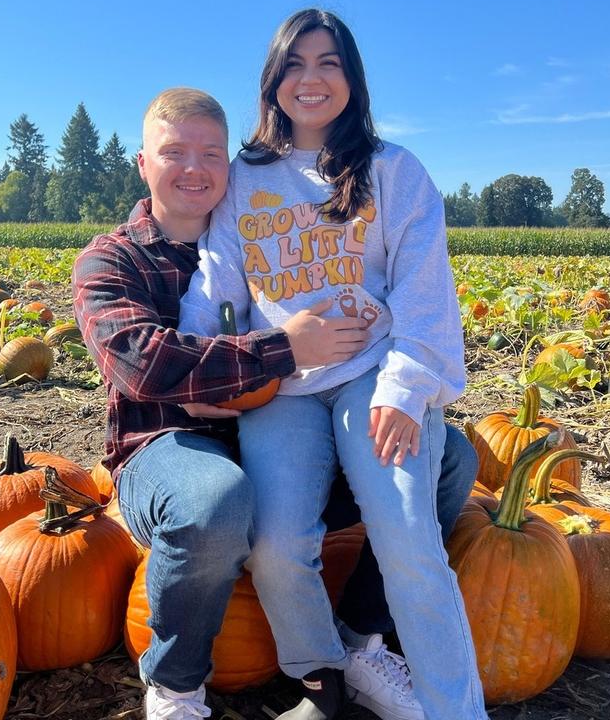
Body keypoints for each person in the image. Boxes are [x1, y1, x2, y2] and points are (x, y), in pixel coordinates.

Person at [73, 87, 478, 720]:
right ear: (142, 162)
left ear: (230, 167)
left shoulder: (253, 233)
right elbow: (143, 363)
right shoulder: (112, 259)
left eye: (211, 152)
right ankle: (177, 686)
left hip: (275, 435)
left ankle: (359, 640)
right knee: (216, 500)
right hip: (172, 447)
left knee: (448, 455)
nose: (194, 168)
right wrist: (285, 348)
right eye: (173, 152)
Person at [178, 10, 488, 720]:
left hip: (374, 374)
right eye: (295, 64)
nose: (310, 79)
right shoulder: (246, 178)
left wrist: (408, 390)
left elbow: (423, 292)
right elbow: (216, 284)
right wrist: (202, 372)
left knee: (407, 534)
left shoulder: (393, 172)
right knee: (279, 545)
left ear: (352, 77)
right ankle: (330, 671)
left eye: (328, 63)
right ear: (273, 80)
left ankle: (457, 710)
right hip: (281, 390)